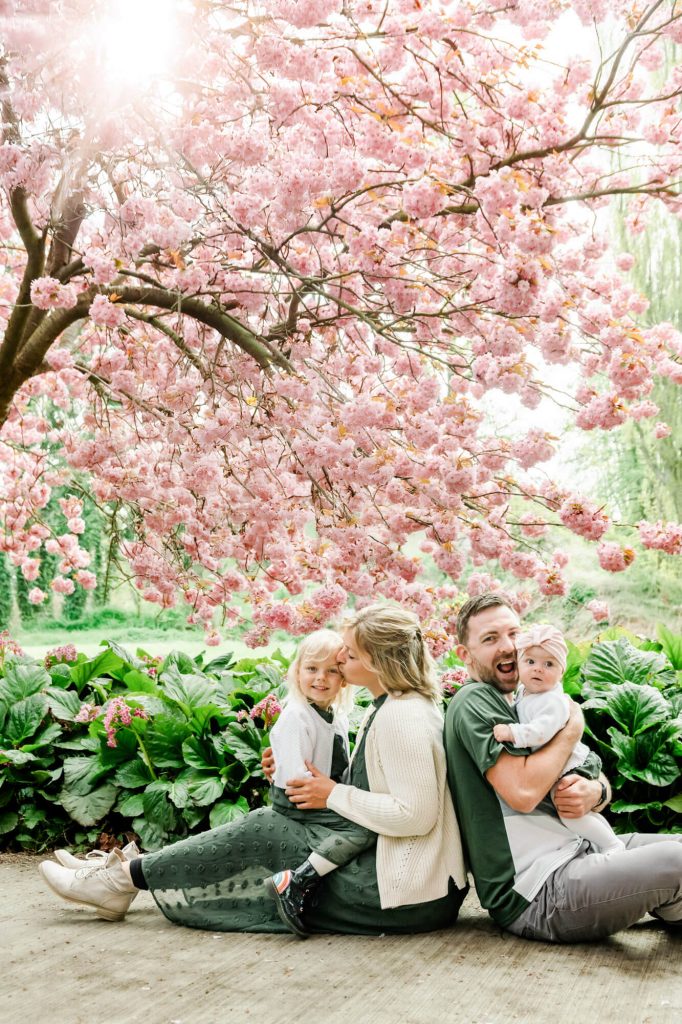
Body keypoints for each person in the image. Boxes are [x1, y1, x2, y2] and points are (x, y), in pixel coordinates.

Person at [39, 605, 468, 935]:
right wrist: (296, 763)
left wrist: (331, 793)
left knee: (267, 827)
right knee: (271, 825)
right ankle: (120, 876)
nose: (340, 658)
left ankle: (120, 879)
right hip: (403, 879)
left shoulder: (402, 717)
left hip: (402, 894)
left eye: (350, 654)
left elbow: (416, 815)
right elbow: (376, 780)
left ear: (376, 662)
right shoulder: (395, 706)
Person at [444, 592, 682, 943]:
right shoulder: (474, 700)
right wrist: (572, 728)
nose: (508, 647)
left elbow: (575, 770)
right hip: (538, 891)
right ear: (465, 654)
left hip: (579, 850)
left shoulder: (528, 700)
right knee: (678, 860)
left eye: (513, 633)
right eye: (491, 639)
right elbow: (524, 793)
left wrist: (596, 790)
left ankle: (672, 905)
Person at [263, 628, 375, 936]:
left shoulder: (336, 716)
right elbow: (295, 778)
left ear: (344, 679)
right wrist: (336, 800)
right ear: (297, 672)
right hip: (298, 800)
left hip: (320, 794)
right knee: (364, 827)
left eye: (331, 671)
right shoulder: (296, 717)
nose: (321, 678)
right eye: (312, 669)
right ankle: (296, 881)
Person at [492, 623, 623, 855]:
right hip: (564, 763)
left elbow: (541, 731)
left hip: (573, 765)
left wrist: (513, 733)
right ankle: (606, 841)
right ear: (519, 664)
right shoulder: (525, 692)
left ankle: (612, 844)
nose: (538, 669)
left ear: (561, 672)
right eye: (530, 661)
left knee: (568, 811)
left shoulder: (552, 700)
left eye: (549, 664)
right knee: (578, 811)